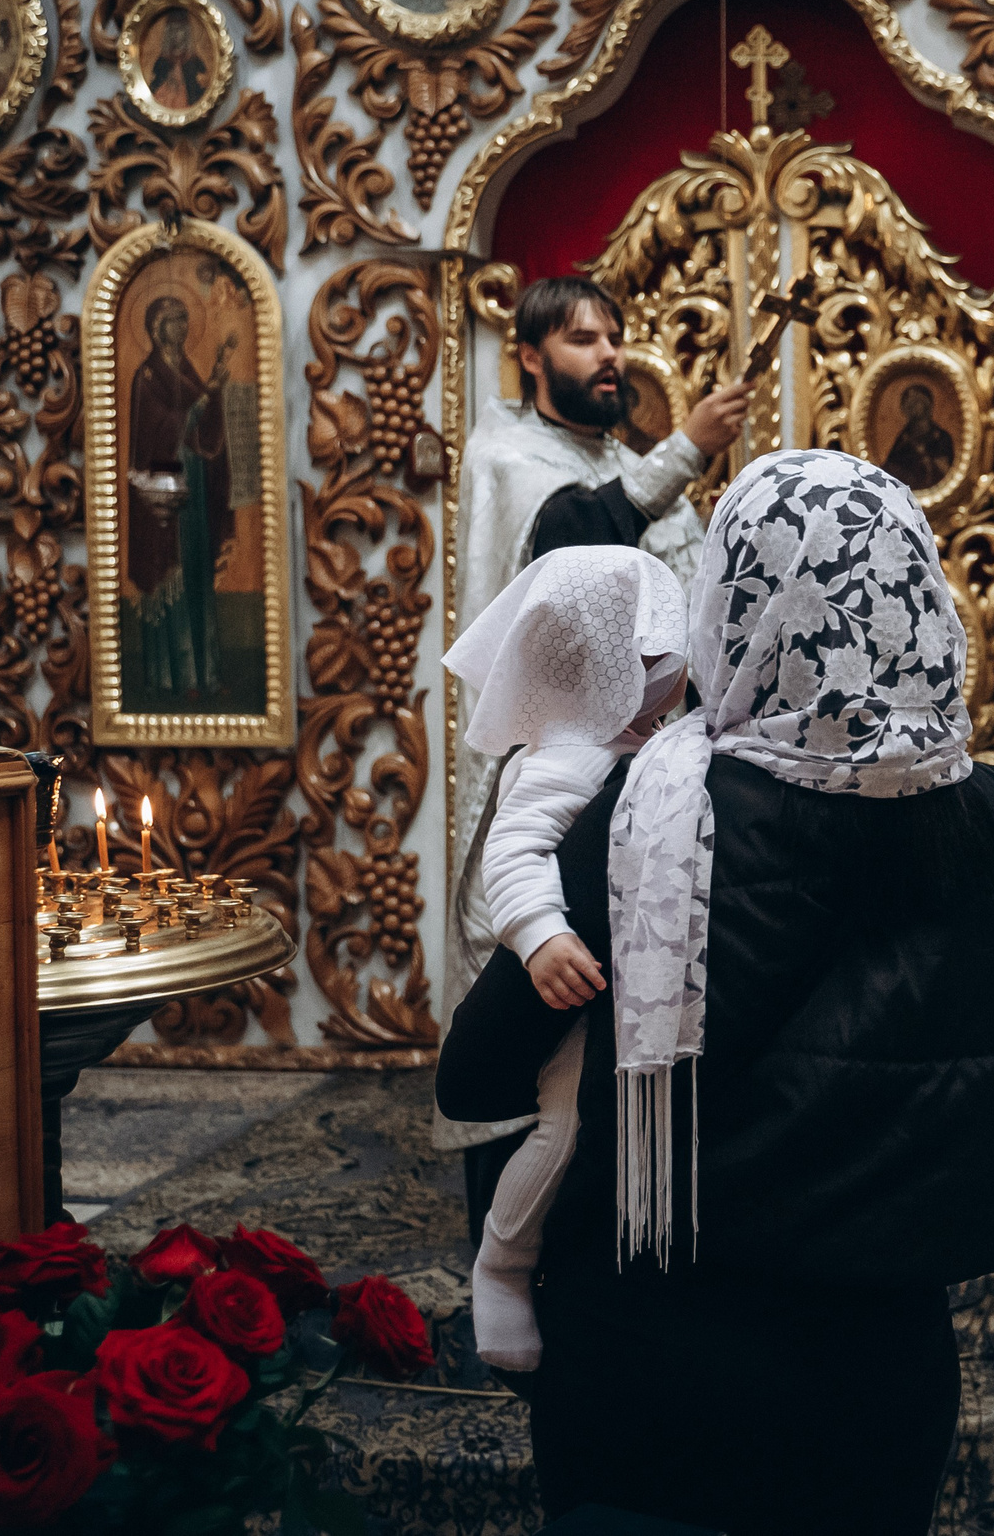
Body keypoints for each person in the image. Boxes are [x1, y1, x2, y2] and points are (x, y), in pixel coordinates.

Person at [436, 450, 994, 1533]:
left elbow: (479, 1069)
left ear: (737, 604)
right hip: (884, 1366)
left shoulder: (652, 814)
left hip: (652, 1364)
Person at [438, 546, 689, 1373]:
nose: (673, 676)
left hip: (633, 982)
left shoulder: (634, 744)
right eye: (654, 661)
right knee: (566, 1129)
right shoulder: (571, 756)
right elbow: (513, 849)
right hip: (576, 986)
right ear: (605, 671)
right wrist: (541, 932)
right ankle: (502, 1263)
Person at [126, 293, 234, 700]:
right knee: (174, 576)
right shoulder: (148, 376)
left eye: (186, 320)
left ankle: (206, 674)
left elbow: (203, 424)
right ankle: (174, 676)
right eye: (174, 321)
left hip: (195, 486)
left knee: (198, 573)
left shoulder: (184, 369)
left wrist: (214, 394)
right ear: (157, 328)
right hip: (163, 492)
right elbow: (150, 432)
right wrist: (200, 403)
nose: (183, 328)